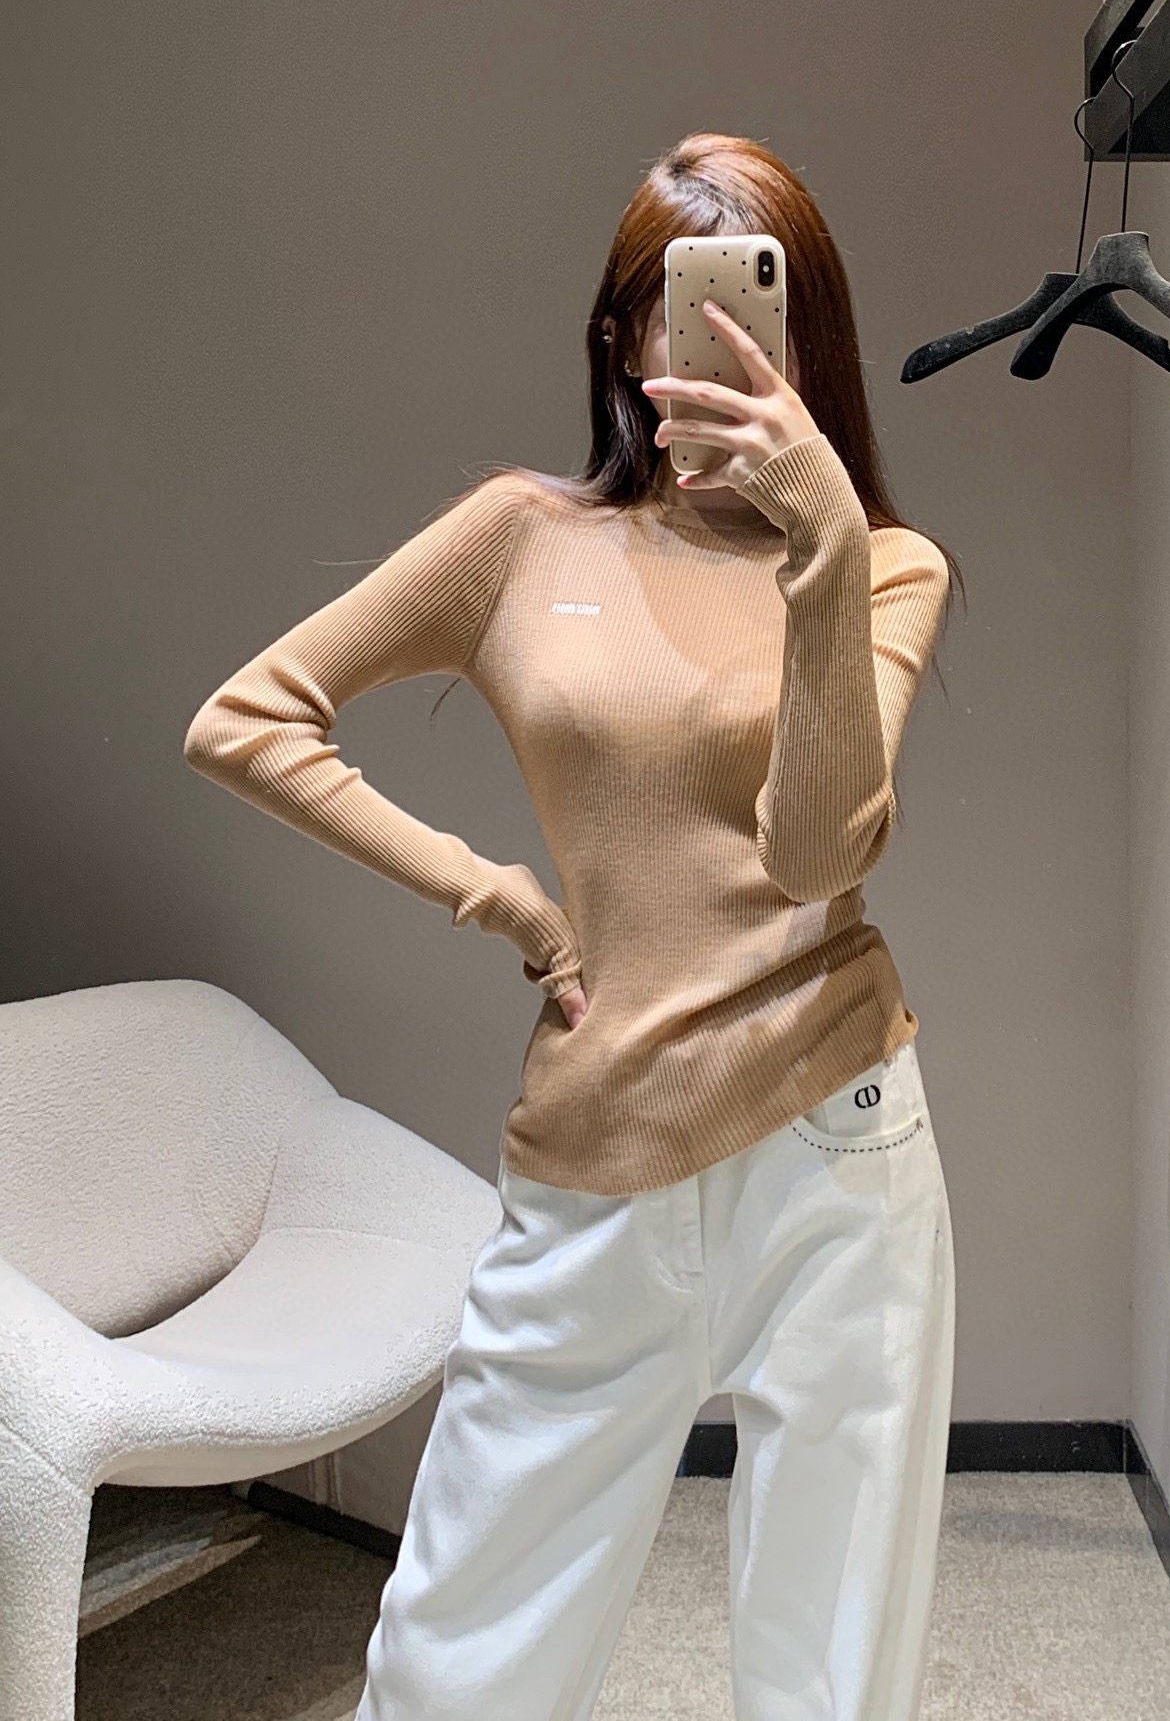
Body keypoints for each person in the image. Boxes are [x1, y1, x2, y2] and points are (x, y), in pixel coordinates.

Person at [183, 130, 965, 1721]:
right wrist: (505, 899)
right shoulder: (520, 541)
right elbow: (246, 721)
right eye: (692, 320)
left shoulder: (884, 565)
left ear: (814, 344)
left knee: (835, 1679)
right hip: (600, 1150)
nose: (733, 357)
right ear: (625, 339)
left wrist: (822, 548)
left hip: (841, 1146)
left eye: (769, 318)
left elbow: (817, 854)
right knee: (456, 1668)